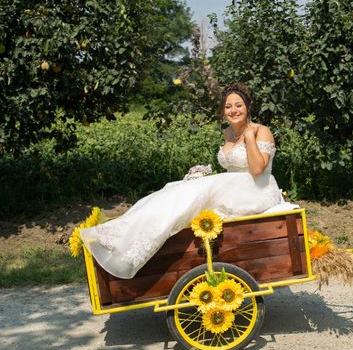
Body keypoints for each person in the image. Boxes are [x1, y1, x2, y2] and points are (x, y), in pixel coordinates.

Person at [80, 83, 292, 279]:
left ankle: (128, 243)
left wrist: (248, 138)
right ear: (222, 111)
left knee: (193, 192)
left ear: (248, 107)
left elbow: (256, 169)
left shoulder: (260, 131)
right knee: (174, 190)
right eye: (228, 106)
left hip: (256, 189)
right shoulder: (228, 133)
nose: (233, 110)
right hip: (234, 186)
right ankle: (121, 236)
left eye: (239, 105)